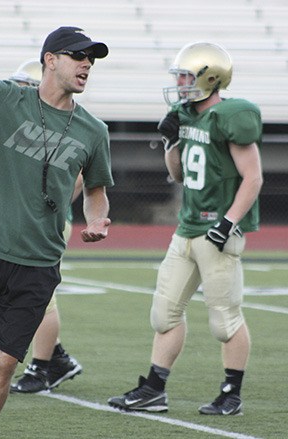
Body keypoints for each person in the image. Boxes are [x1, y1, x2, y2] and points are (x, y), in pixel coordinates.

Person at [0, 2, 113, 438]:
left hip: (37, 263)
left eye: (91, 58)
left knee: (2, 364)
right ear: (50, 61)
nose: (86, 64)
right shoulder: (3, 99)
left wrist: (98, 221)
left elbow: (96, 192)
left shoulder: (94, 131)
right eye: (78, 56)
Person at [108, 41, 263, 416]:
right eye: (178, 75)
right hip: (188, 227)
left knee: (225, 320)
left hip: (218, 230)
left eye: (185, 76)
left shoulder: (230, 116)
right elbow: (177, 174)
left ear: (210, 78)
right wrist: (171, 141)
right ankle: (154, 389)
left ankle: (231, 393)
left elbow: (253, 178)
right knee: (164, 313)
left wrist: (228, 224)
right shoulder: (186, 115)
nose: (179, 83)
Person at [8, 59, 83, 393]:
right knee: (19, 294)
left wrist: (53, 207)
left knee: (42, 298)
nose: (18, 93)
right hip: (22, 220)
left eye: (24, 86)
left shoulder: (60, 126)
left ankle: (41, 369)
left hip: (45, 223)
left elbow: (79, 176)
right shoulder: (28, 122)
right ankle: (59, 357)